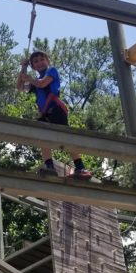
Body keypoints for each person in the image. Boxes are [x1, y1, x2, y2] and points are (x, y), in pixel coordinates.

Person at [16, 51, 92, 180]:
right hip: (45, 113)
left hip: (56, 109)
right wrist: (23, 67)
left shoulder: (52, 71)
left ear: (47, 61)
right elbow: (19, 87)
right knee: (43, 139)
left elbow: (42, 84)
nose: (39, 62)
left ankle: (80, 167)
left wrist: (28, 78)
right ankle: (49, 166)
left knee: (66, 138)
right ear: (33, 67)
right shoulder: (35, 82)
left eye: (41, 59)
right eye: (35, 61)